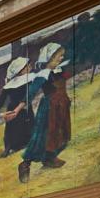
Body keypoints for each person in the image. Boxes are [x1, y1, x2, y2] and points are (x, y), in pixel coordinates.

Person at [19, 42, 72, 183]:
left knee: (57, 134)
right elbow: (31, 92)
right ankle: (25, 164)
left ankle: (49, 158)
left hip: (61, 106)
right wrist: (19, 107)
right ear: (49, 58)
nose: (61, 58)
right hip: (49, 108)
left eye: (62, 56)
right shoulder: (43, 74)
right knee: (43, 137)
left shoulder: (59, 70)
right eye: (58, 57)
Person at [0, 56, 36, 157]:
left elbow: (0, 103)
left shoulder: (28, 79)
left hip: (19, 107)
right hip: (18, 108)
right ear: (20, 70)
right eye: (27, 66)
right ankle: (11, 147)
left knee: (20, 127)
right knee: (12, 129)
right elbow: (0, 102)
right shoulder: (16, 83)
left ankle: (18, 146)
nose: (29, 67)